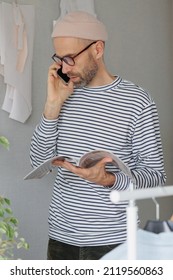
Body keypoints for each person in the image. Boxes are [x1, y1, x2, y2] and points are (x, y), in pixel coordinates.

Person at [30, 11, 166, 260]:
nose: (64, 67)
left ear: (98, 49)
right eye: (59, 59)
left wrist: (109, 180)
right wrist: (51, 107)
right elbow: (37, 162)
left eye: (70, 58)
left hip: (115, 244)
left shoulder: (137, 102)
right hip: (61, 240)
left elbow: (155, 179)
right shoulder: (64, 95)